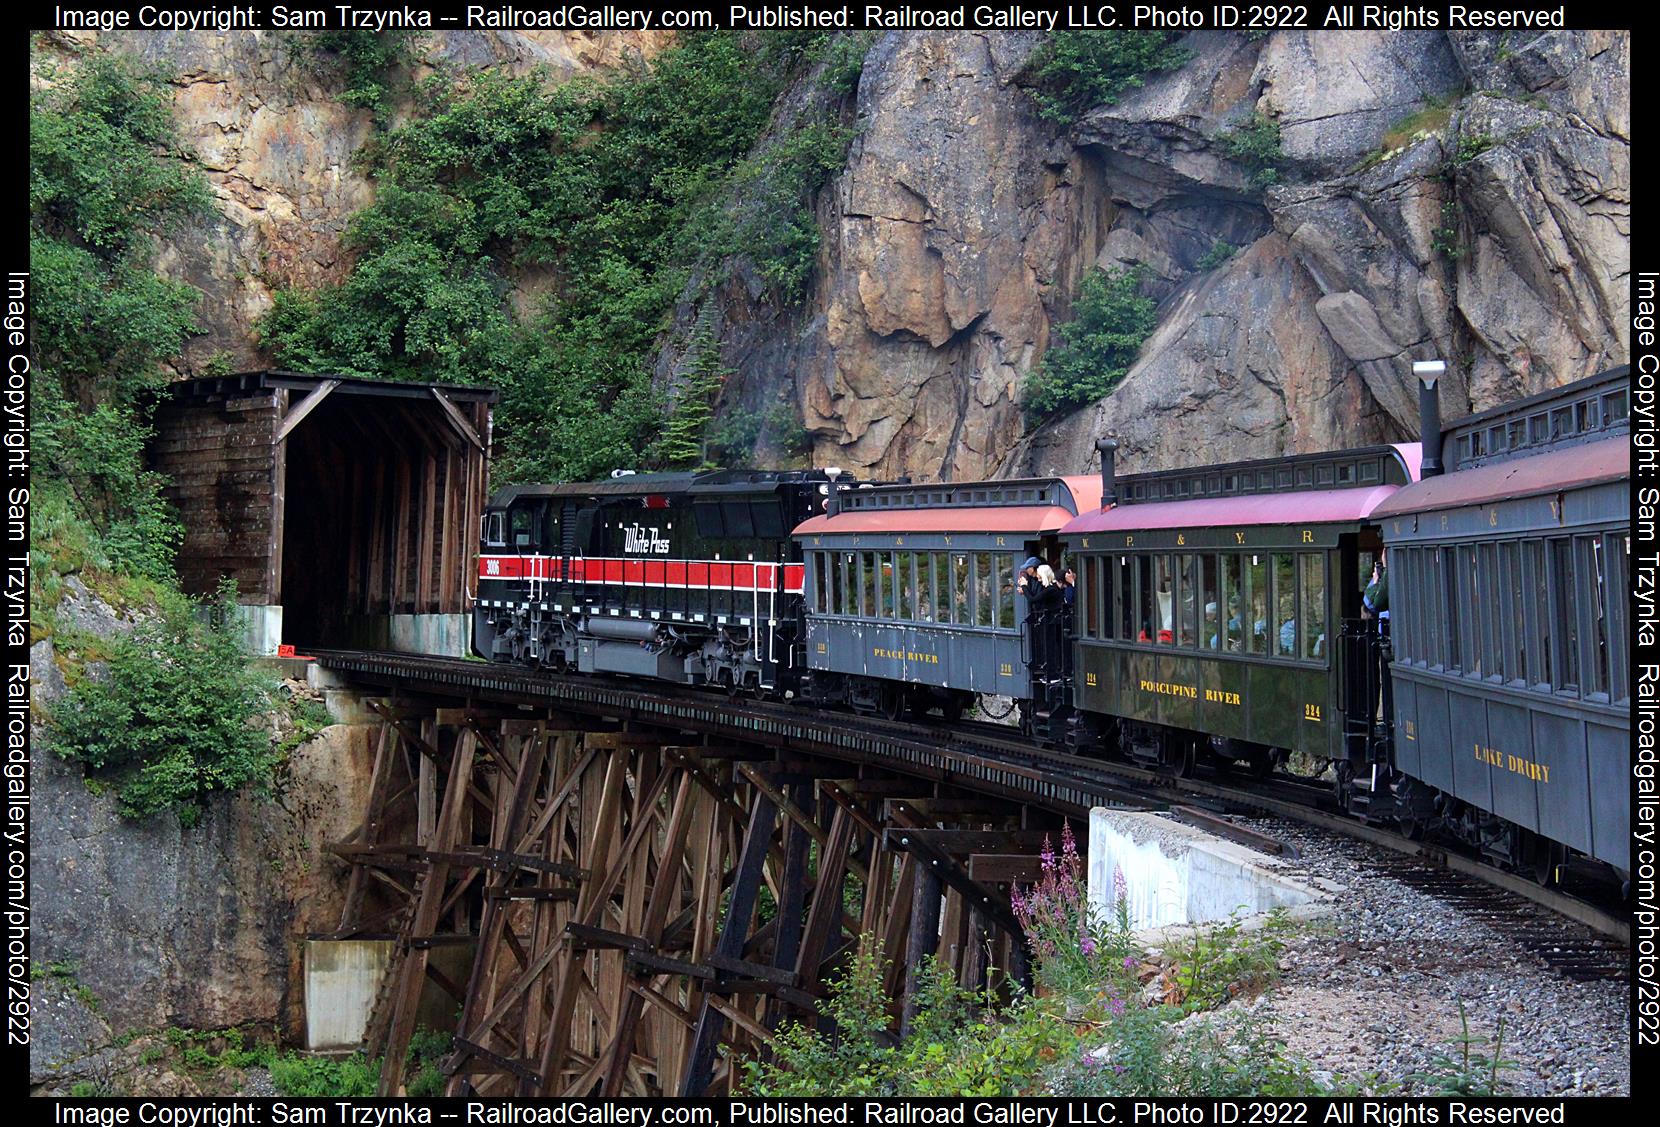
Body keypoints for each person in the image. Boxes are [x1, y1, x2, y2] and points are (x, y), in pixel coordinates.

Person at [1363, 550, 1389, 622]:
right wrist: (1375, 581)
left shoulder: (1387, 575)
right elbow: (1368, 602)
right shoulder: (1380, 575)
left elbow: (1375, 604)